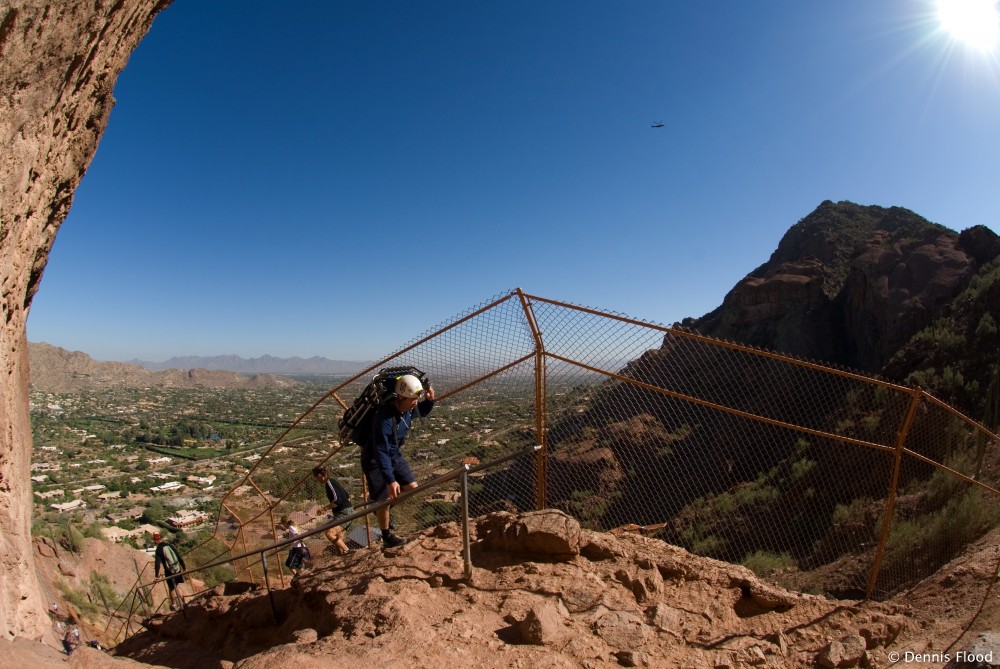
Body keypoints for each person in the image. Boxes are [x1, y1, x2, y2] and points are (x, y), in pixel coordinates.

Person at [362, 373, 435, 548]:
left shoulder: (407, 409)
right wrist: (391, 480)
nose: (415, 402)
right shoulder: (384, 418)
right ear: (400, 397)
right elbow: (380, 451)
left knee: (411, 488)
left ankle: (382, 509)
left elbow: (420, 411)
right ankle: (386, 535)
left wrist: (430, 401)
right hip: (374, 459)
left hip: (394, 454)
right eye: (412, 399)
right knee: (385, 499)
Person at [311, 466, 354, 555]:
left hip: (343, 513)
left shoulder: (329, 482)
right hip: (343, 512)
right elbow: (347, 495)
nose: (317, 480)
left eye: (316, 478)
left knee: (329, 533)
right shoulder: (332, 481)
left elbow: (337, 500)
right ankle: (342, 556)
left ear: (319, 475)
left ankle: (348, 551)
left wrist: (324, 509)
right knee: (338, 539)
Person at [152, 532, 186, 611]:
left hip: (169, 571)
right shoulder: (169, 545)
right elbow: (178, 556)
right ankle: (184, 603)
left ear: (155, 541)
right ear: (161, 538)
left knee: (171, 588)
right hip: (177, 568)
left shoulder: (159, 550)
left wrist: (156, 576)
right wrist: (184, 567)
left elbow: (157, 564)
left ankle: (174, 605)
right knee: (177, 586)